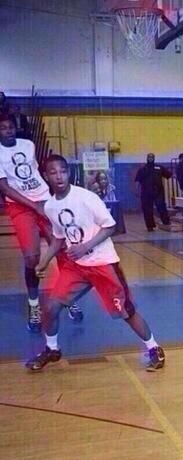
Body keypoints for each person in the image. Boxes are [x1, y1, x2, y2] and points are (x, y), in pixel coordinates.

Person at [25, 154, 165, 372]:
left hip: (103, 264)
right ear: (46, 176)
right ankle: (52, 349)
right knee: (51, 307)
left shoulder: (86, 197)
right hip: (77, 268)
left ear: (68, 173)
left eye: (62, 171)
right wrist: (43, 261)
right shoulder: (51, 206)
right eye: (53, 172)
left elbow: (111, 226)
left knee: (126, 312)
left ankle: (154, 348)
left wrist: (85, 246)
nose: (59, 176)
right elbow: (59, 238)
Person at [0, 113, 82, 332]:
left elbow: (35, 172)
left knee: (62, 249)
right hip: (20, 206)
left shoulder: (28, 145)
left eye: (10, 127)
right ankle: (34, 305)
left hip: (44, 199)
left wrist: (49, 199)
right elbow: (5, 187)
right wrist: (33, 205)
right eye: (3, 128)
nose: (8, 131)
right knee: (32, 257)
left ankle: (68, 297)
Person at [134, 153, 172, 231]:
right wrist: (137, 191)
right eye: (149, 157)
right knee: (147, 210)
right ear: (147, 158)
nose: (150, 159)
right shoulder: (143, 169)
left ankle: (166, 222)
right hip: (146, 192)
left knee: (161, 207)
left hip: (158, 192)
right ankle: (150, 226)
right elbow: (137, 181)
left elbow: (169, 175)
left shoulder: (159, 167)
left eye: (152, 157)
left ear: (154, 158)